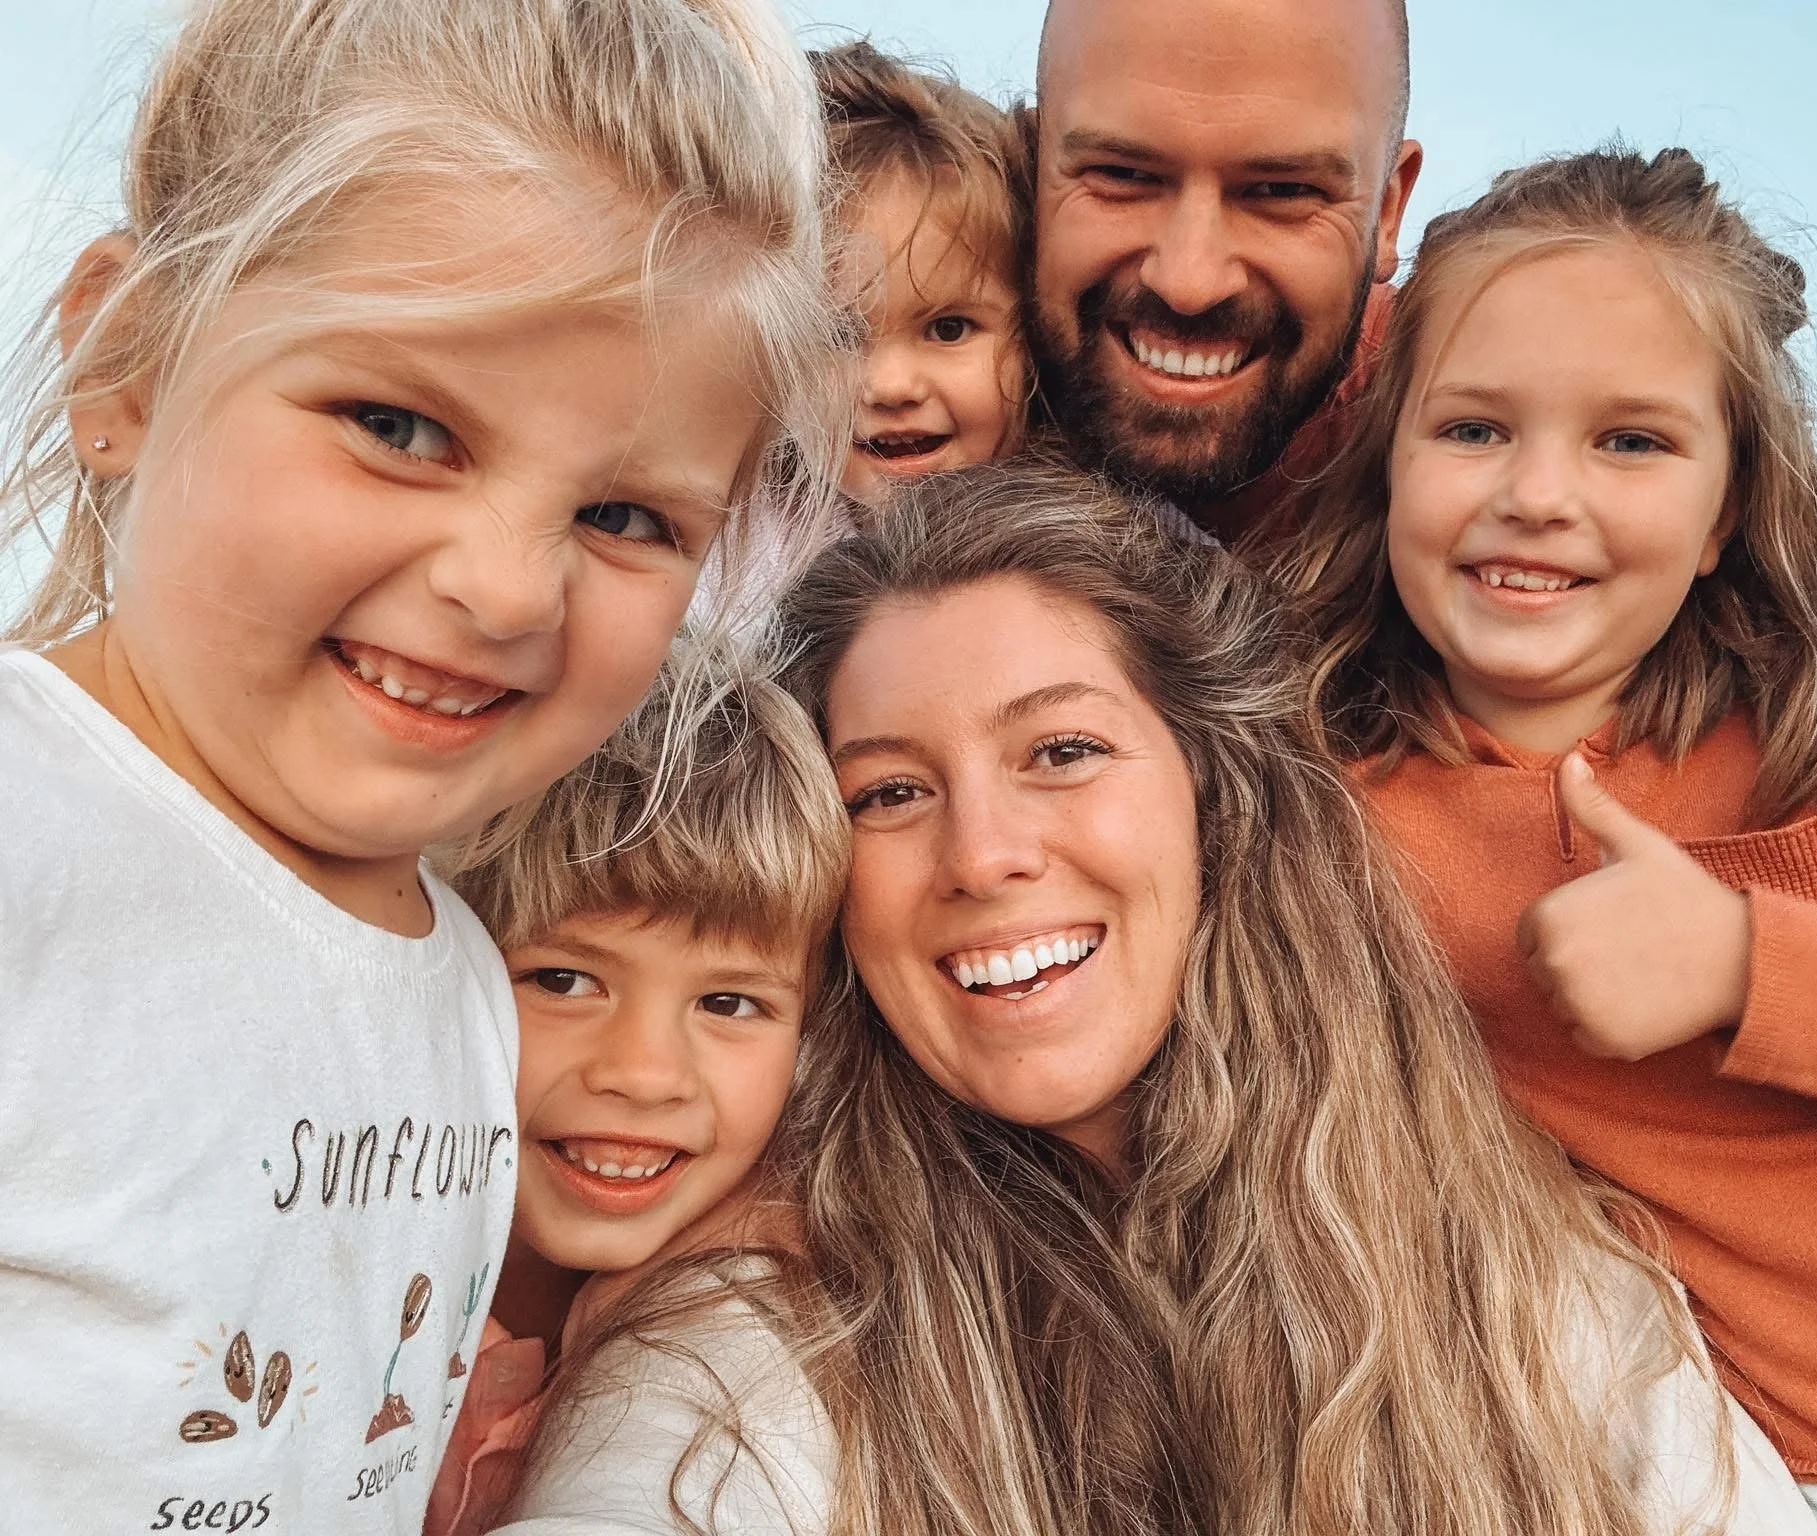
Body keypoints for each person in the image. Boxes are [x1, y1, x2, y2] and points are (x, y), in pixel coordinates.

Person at [0, 0, 842, 1527]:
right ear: (127, 364)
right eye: (402, 425)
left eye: (629, 519)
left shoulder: (466, 986)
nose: (510, 589)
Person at [680, 461, 1801, 1536]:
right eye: (888, 791)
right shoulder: (765, 1329)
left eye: (1061, 750)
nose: (980, 855)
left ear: (1215, 796)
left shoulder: (1529, 1288)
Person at [1273, 145, 1817, 1530]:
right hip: (1705, 1473)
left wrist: (1753, 967)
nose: (1538, 493)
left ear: (1724, 513)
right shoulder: (1324, 804)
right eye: (1472, 430)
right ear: (1385, 463)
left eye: (1630, 440)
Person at [422, 650, 849, 1535]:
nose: (645, 1073)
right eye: (565, 981)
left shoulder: (783, 1294)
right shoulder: (334, 1248)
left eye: (729, 1002)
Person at [1028, 0, 1420, 542]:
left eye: (1284, 191)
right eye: (1121, 173)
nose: (1189, 283)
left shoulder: (1481, 425)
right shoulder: (907, 371)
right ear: (1032, 161)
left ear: (1387, 212)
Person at [813, 41, 1031, 509]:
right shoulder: (732, 549)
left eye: (948, 329)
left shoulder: (1117, 546)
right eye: (836, 336)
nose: (889, 388)